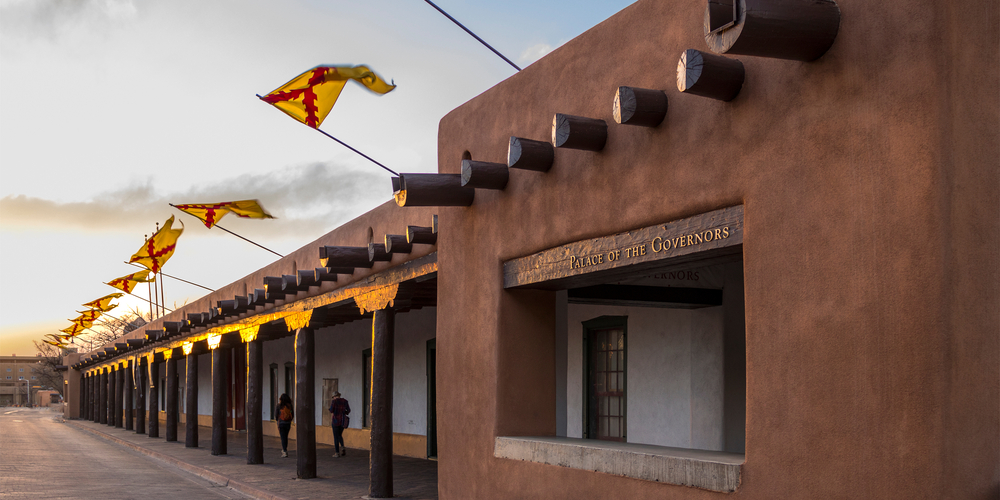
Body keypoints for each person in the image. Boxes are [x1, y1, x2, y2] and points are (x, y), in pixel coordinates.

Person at [328, 391, 350, 457]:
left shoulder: (334, 402)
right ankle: (342, 447)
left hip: (335, 421)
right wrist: (343, 413)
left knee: (336, 437)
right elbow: (348, 410)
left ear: (334, 396)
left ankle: (337, 453)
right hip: (342, 421)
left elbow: (331, 410)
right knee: (339, 435)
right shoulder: (345, 401)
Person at [276, 393, 293, 458]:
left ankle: (284, 450)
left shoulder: (279, 406)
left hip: (281, 423)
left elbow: (276, 414)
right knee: (286, 436)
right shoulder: (290, 406)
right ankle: (284, 449)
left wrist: (277, 420)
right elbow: (292, 414)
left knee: (283, 437)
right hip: (288, 423)